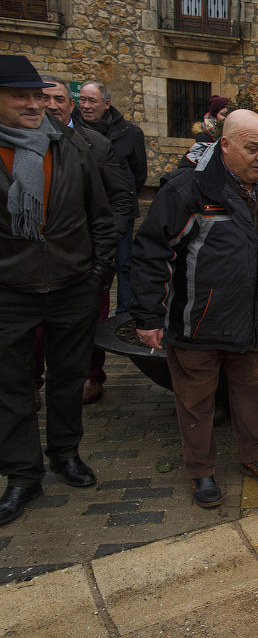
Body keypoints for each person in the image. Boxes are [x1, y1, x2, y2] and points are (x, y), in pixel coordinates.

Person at [130, 109, 258, 507]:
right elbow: (153, 253)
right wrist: (150, 315)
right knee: (195, 400)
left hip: (251, 317)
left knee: (252, 390)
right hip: (197, 322)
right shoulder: (188, 190)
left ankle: (254, 456)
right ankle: (201, 472)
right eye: (252, 148)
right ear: (225, 145)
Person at [0, 56, 117, 525]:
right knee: (12, 387)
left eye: (38, 96)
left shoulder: (70, 146)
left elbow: (101, 215)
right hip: (10, 290)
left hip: (72, 286)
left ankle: (65, 453)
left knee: (68, 380)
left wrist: (97, 276)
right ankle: (23, 475)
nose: (34, 105)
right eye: (21, 97)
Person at [38, 74, 131, 405]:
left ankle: (91, 377)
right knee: (32, 332)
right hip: (30, 263)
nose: (51, 105)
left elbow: (122, 200)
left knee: (87, 326)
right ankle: (32, 382)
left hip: (84, 260)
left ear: (70, 105)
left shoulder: (94, 145)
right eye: (44, 98)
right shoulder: (13, 145)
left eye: (59, 99)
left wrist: (103, 253)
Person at [76, 80, 146, 316]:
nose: (86, 106)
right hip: (83, 211)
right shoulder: (70, 131)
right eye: (82, 100)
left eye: (92, 101)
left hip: (119, 210)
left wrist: (122, 200)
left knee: (124, 262)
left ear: (106, 104)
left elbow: (139, 174)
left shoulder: (130, 133)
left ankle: (124, 312)